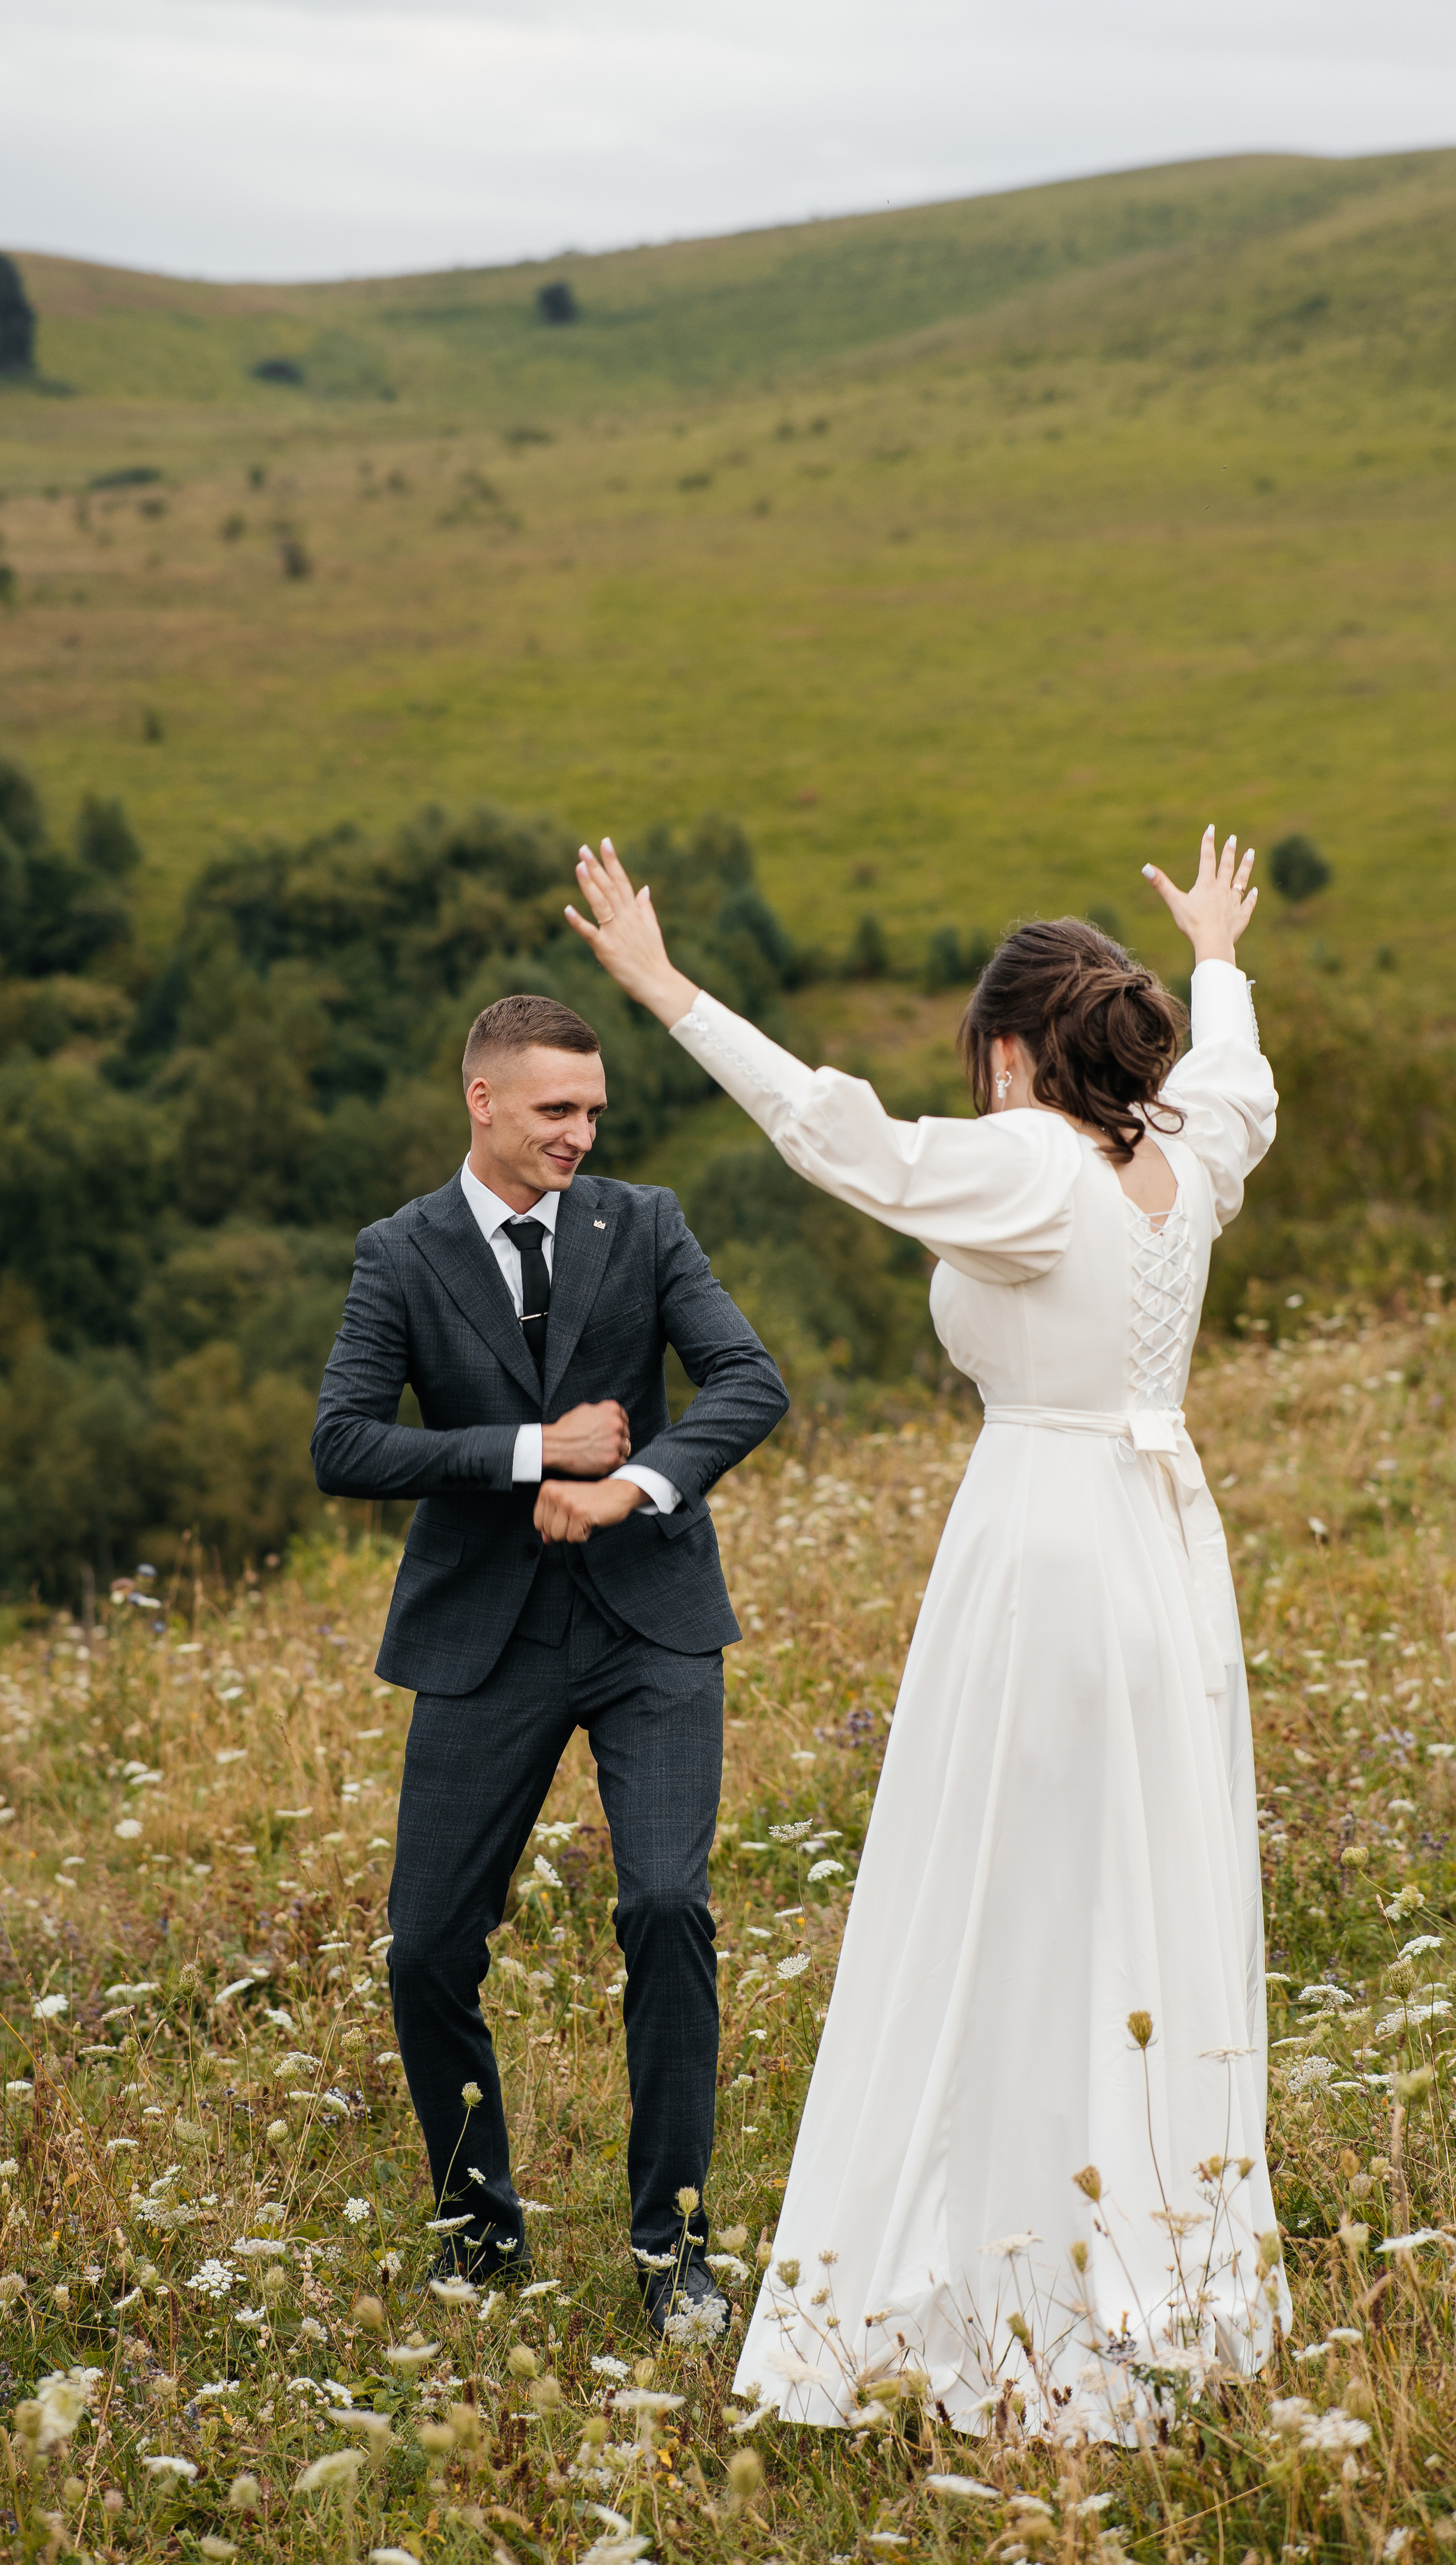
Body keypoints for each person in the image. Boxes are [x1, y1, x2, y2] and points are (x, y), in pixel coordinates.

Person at [564, 828, 1284, 2437]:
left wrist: (668, 989)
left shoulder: (1030, 1160)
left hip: (1040, 1545)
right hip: (1166, 1556)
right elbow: (1243, 1080)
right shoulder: (1186, 1150)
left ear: (1010, 1047)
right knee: (1142, 1884)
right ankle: (1152, 2252)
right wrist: (1221, 953)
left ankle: (1016, 2287)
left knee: (1009, 1896)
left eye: (982, 1059)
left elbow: (842, 1137)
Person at [310, 992, 788, 2334]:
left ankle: (674, 2252)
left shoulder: (646, 1223)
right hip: (483, 1641)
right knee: (427, 1950)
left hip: (651, 1626)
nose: (582, 1133)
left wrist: (633, 1481)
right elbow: (343, 1444)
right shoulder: (398, 1254)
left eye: (593, 1112)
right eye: (556, 1111)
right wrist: (531, 1455)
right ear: (483, 1101)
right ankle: (479, 2233)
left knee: (663, 1908)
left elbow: (749, 1382)